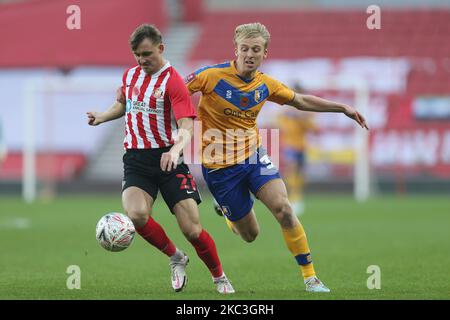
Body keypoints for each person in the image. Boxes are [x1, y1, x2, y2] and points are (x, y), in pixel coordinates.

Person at [185, 22, 368, 293]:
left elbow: (300, 101)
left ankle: (310, 277)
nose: (249, 54)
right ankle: (228, 214)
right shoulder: (210, 76)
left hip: (253, 157)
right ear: (235, 49)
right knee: (249, 235)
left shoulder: (266, 84)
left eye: (255, 50)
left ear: (265, 53)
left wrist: (342, 107)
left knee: (283, 208)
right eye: (244, 48)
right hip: (219, 167)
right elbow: (175, 91)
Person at [87, 24, 234, 294]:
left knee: (192, 230)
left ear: (161, 48)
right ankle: (176, 257)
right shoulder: (130, 76)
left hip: (168, 159)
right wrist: (102, 116)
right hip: (136, 160)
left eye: (147, 54)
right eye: (137, 55)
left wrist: (176, 150)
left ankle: (219, 276)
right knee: (137, 215)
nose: (142, 60)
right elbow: (123, 103)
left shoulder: (173, 80)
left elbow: (187, 124)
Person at [278, 84, 317, 216]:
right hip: (290, 145)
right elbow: (281, 124)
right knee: (292, 170)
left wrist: (302, 119)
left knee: (301, 174)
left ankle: (297, 198)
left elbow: (314, 128)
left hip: (302, 146)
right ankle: (289, 198)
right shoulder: (286, 110)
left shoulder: (305, 111)